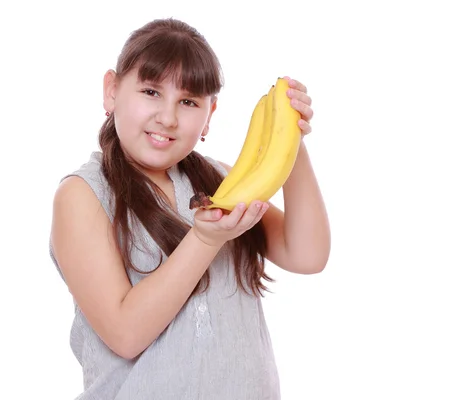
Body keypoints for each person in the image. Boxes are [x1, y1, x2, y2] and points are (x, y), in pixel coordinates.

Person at [49, 17, 330, 400]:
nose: (167, 117)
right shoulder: (84, 195)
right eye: (150, 92)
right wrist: (204, 238)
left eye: (188, 101)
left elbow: (308, 254)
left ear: (209, 116)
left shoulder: (222, 183)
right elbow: (124, 333)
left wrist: (291, 144)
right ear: (112, 91)